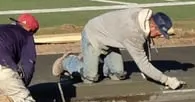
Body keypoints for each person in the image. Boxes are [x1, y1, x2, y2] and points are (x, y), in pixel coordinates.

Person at [52, 6, 185, 89]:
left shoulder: (144, 19)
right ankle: (67, 61)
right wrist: (166, 80)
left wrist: (150, 74)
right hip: (94, 34)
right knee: (90, 78)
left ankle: (93, 60)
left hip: (111, 39)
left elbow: (144, 46)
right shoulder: (132, 32)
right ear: (153, 26)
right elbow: (142, 63)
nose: (159, 36)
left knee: (118, 75)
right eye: (159, 33)